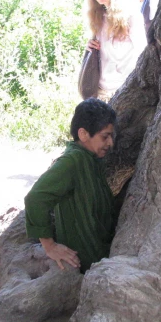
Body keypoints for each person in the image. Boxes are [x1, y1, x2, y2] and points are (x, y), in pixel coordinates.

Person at [25, 98, 116, 272]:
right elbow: (35, 199)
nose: (110, 143)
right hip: (84, 260)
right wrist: (50, 246)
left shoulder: (90, 158)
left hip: (100, 252)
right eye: (105, 136)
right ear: (83, 134)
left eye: (112, 136)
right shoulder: (71, 162)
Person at [86, 0, 146, 102]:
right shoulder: (97, 16)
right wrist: (90, 45)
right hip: (101, 90)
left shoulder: (131, 14)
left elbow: (143, 52)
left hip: (125, 89)